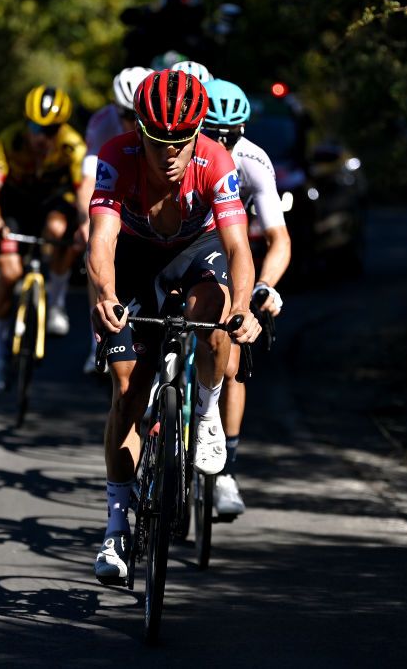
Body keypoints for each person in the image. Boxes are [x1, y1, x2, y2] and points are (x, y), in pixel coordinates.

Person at [87, 69, 262, 582]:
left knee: (213, 307)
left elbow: (238, 248)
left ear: (196, 135)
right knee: (128, 391)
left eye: (180, 140)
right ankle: (116, 527)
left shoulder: (215, 160)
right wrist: (104, 296)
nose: (169, 152)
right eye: (157, 139)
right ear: (138, 128)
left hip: (197, 253)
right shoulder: (116, 157)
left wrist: (244, 309)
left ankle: (207, 412)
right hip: (138, 259)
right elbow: (101, 242)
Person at [202, 79, 291, 516]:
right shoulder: (182, 155)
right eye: (212, 131)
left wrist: (265, 285)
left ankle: (226, 472)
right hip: (184, 251)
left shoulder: (253, 159)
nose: (221, 141)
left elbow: (278, 238)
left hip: (230, 254)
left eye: (230, 133)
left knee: (233, 361)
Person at [0, 85, 86, 394]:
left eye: (51, 130)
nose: (42, 136)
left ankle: (56, 303)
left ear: (61, 128)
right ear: (25, 123)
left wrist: (85, 223)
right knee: (9, 273)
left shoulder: (72, 145)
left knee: (58, 231)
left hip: (54, 205)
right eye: (35, 127)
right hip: (16, 207)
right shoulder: (9, 140)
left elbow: (83, 193)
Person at [75, 66, 153, 375]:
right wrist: (86, 221)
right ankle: (97, 340)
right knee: (94, 252)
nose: (128, 121)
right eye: (123, 113)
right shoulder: (101, 122)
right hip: (117, 191)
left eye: (134, 114)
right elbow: (87, 181)